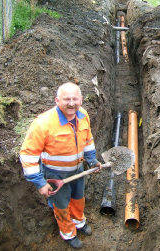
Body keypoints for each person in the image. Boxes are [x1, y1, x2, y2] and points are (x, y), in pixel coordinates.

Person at [20, 82, 102, 250]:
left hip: (78, 170)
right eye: (66, 99)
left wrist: (92, 160)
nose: (71, 103)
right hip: (55, 175)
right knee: (62, 206)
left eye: (75, 99)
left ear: (81, 100)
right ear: (57, 100)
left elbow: (88, 140)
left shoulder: (83, 115)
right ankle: (68, 233)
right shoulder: (43, 124)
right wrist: (40, 182)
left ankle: (79, 222)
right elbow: (28, 155)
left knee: (78, 199)